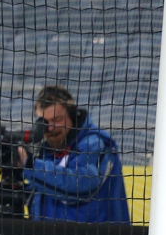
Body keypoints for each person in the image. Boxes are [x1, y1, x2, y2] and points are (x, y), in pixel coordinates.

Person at [17, 85, 130, 223]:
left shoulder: (94, 143)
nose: (50, 128)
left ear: (72, 116)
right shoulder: (46, 150)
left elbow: (80, 184)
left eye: (56, 120)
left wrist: (30, 165)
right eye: (44, 122)